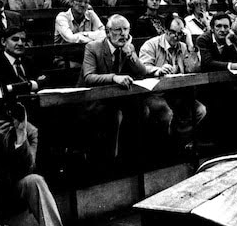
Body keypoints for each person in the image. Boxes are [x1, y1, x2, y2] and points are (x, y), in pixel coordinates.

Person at [79, 13, 154, 162]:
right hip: (93, 101)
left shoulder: (127, 47)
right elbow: (88, 77)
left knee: (142, 110)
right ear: (107, 32)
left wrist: (131, 55)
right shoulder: (93, 47)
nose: (123, 34)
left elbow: (142, 72)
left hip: (115, 100)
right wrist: (114, 77)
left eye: (126, 29)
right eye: (118, 30)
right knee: (115, 116)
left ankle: (132, 157)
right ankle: (110, 161)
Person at [138, 16, 207, 147]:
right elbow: (142, 68)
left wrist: (190, 44)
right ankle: (165, 147)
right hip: (155, 93)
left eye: (180, 33)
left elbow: (194, 68)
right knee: (166, 113)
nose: (176, 36)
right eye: (173, 32)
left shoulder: (183, 46)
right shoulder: (151, 44)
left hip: (177, 92)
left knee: (200, 110)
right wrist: (157, 70)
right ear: (165, 30)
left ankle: (180, 141)